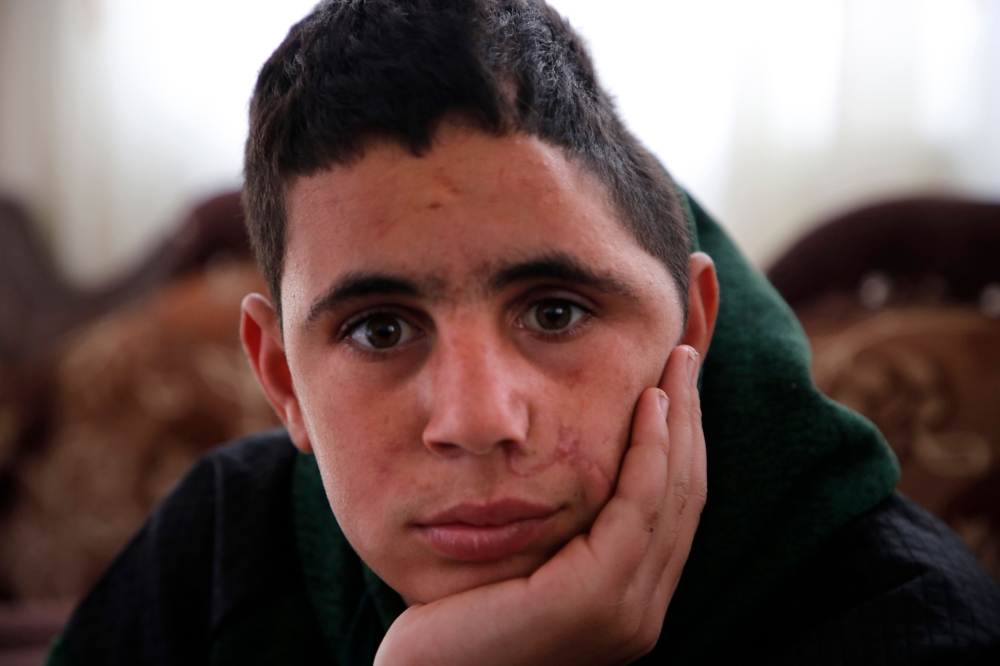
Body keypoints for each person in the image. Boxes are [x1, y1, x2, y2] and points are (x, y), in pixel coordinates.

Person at [47, 0, 1000, 664]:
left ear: (692, 326)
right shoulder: (222, 545)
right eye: (379, 330)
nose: (477, 420)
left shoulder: (905, 625)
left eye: (554, 312)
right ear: (283, 379)